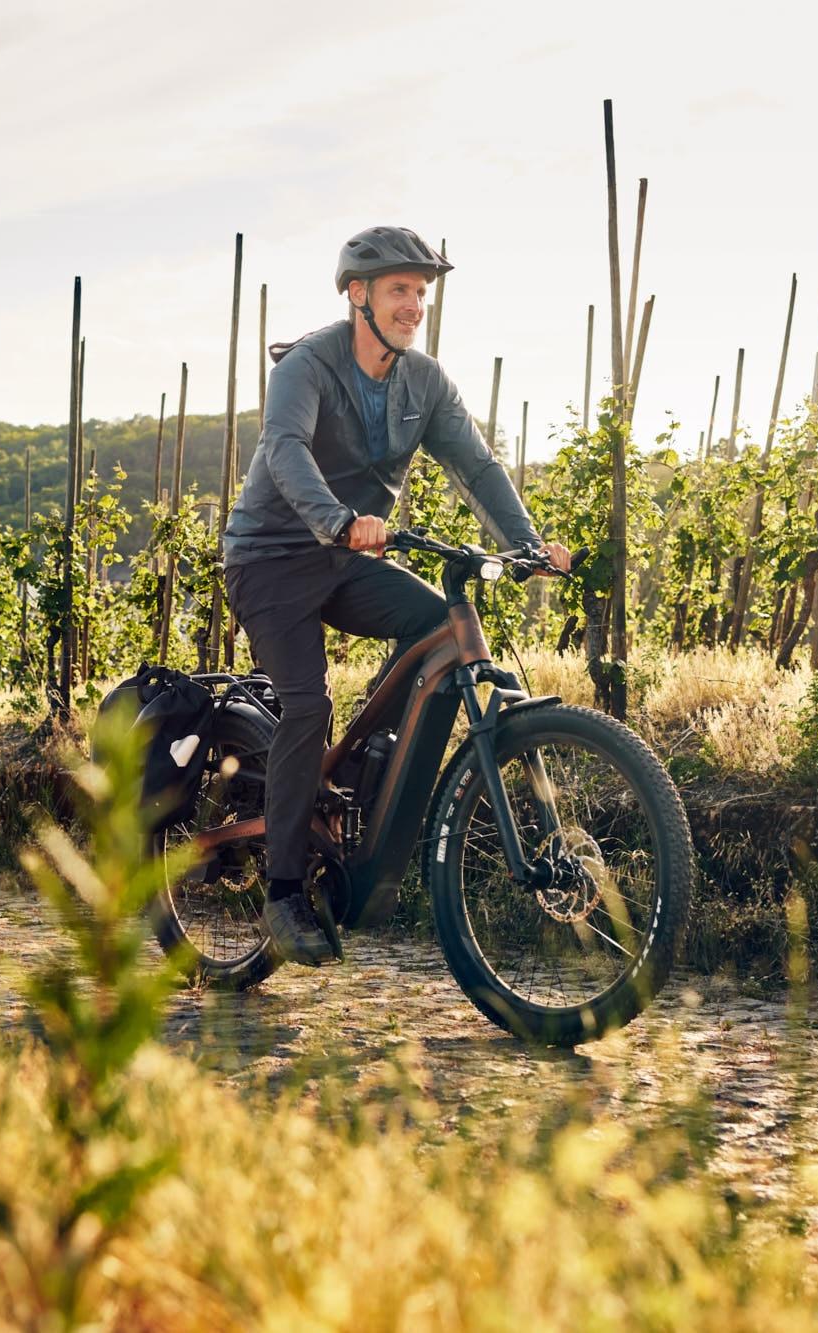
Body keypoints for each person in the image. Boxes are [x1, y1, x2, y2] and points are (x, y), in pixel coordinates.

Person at [221, 225, 571, 966]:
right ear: (358, 296)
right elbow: (284, 450)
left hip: (345, 559)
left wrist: (530, 543)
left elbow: (475, 466)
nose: (414, 306)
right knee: (306, 703)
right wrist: (339, 523)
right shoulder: (307, 367)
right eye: (399, 291)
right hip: (274, 557)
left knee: (431, 623)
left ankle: (358, 777)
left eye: (420, 292)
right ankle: (283, 892)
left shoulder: (425, 383)